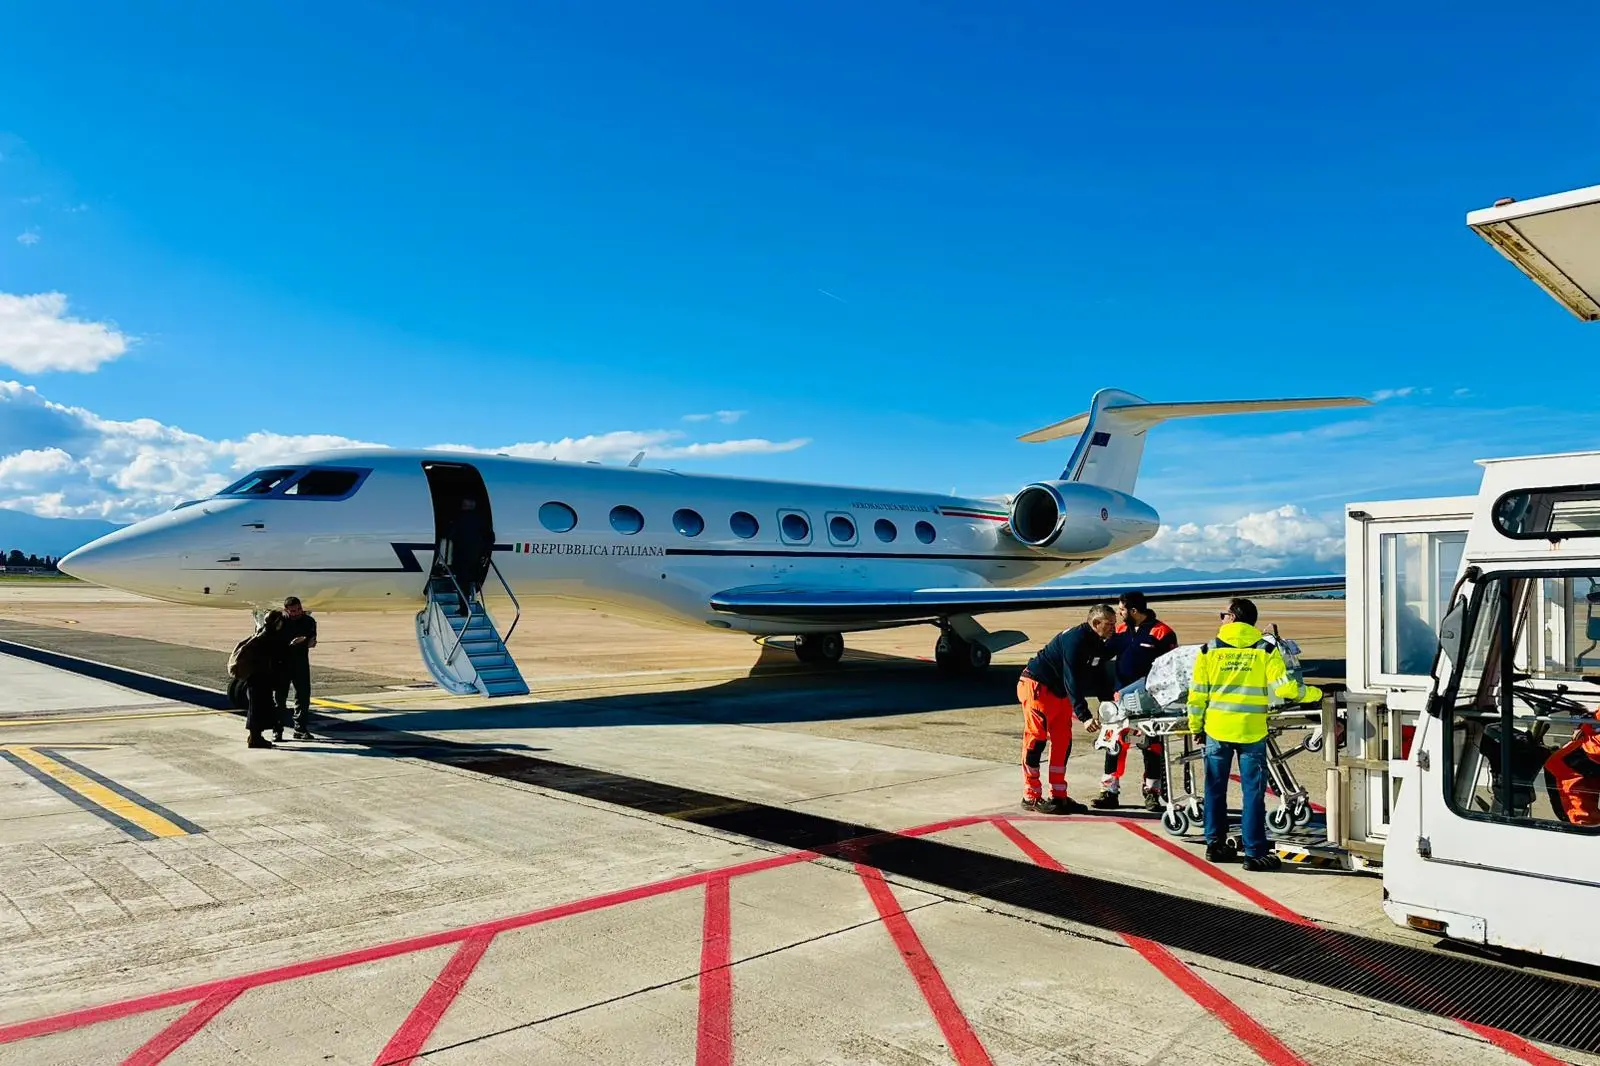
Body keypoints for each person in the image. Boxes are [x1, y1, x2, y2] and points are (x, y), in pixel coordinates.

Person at [1188, 597, 1321, 871]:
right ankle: (1255, 852)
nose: (1220, 618)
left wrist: (1195, 726)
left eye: (1223, 614)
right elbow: (1285, 689)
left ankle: (1215, 844)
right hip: (1251, 732)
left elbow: (1197, 695)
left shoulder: (1208, 650)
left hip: (1216, 729)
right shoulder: (1265, 650)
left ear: (1234, 618)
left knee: (1214, 788)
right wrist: (1317, 694)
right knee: (1253, 793)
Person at [1017, 604, 1117, 814]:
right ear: (1095, 623)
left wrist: (1110, 705)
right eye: (1109, 624)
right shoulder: (1075, 639)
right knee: (1036, 740)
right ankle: (1031, 795)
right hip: (1037, 687)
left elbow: (1100, 676)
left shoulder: (1098, 643)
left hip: (1059, 694)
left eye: (1114, 624)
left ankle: (1059, 795)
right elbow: (1070, 677)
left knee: (1063, 741)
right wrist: (1085, 715)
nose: (1113, 628)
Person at [1092, 591, 1179, 811]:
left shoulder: (1163, 633)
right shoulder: (1120, 630)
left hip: (1151, 702)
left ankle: (1152, 792)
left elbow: (1172, 670)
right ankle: (1109, 792)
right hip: (1121, 698)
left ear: (1133, 610)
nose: (1119, 613)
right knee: (1114, 744)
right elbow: (1102, 654)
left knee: (1152, 747)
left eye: (1121, 609)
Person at [1544, 707, 1600, 827]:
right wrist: (1584, 725)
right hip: (1593, 740)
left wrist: (1585, 727)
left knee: (1556, 765)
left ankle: (1580, 820)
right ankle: (1589, 818)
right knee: (1586, 776)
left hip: (1596, 748)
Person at [236, 610, 284, 749]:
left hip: (258, 678)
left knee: (258, 708)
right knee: (258, 709)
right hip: (259, 678)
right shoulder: (267, 637)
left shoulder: (263, 634)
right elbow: (266, 659)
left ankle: (255, 736)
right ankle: (255, 738)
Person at [274, 596, 318, 740]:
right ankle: (277, 729)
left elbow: (312, 641)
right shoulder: (280, 622)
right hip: (282, 664)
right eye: (293, 611)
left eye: (299, 609)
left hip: (300, 663)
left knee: (303, 697)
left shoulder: (308, 621)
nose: (297, 612)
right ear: (286, 610)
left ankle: (300, 728)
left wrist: (307, 642)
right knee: (279, 699)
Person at [443, 497, 492, 614]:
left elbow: (449, 534)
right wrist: (484, 552)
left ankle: (464, 608)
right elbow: (490, 537)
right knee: (471, 580)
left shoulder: (459, 518)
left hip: (462, 556)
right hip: (476, 556)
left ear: (464, 506)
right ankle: (470, 600)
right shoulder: (481, 520)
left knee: (462, 582)